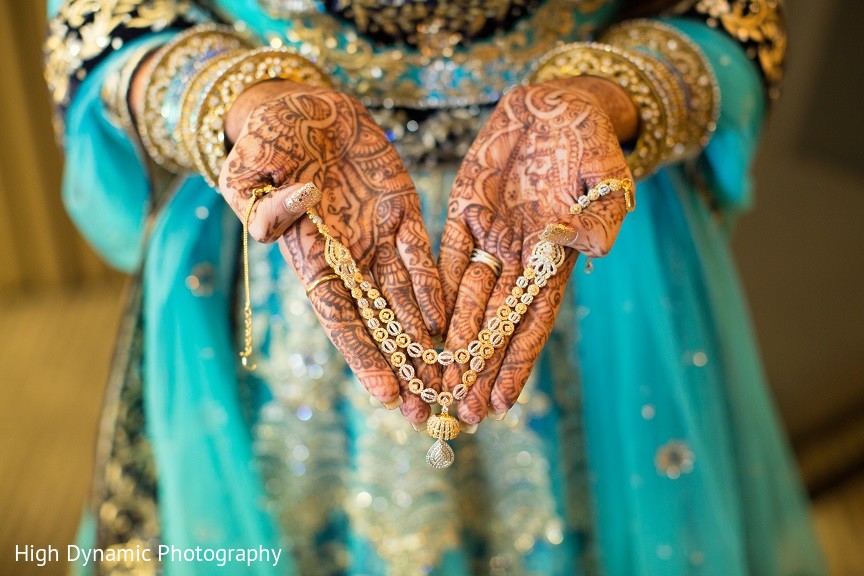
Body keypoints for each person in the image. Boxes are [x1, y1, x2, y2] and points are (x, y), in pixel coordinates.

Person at [44, 0, 826, 574]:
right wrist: (233, 99)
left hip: (566, 207)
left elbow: (734, 11)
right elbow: (102, 14)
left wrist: (610, 96)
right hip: (294, 219)